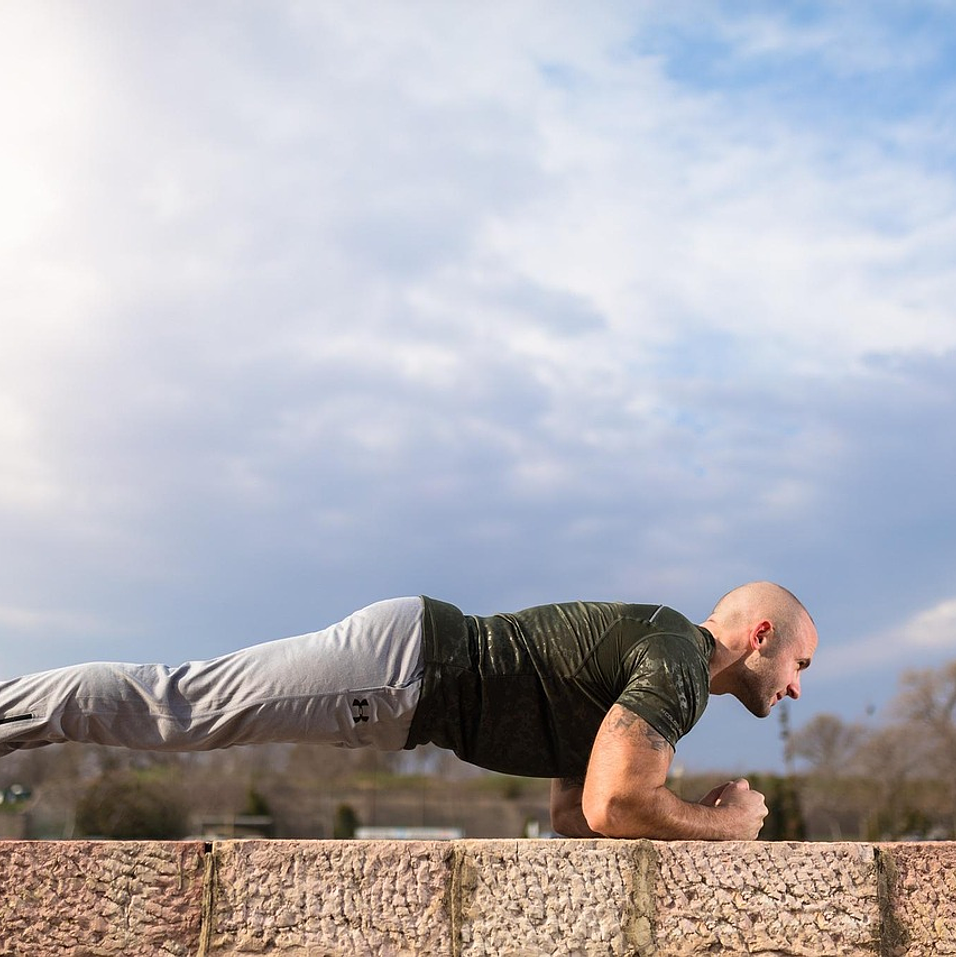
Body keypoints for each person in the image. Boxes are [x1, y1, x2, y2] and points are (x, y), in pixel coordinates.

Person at [0, 581, 816, 840]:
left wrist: (670, 810)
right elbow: (616, 804)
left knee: (181, 705)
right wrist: (726, 823)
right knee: (178, 706)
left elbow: (579, 813)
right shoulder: (677, 662)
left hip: (409, 669)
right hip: (406, 670)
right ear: (761, 635)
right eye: (799, 664)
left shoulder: (660, 659)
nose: (796, 687)